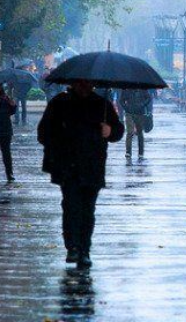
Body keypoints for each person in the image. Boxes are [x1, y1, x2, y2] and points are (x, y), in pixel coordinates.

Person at [38, 80, 125, 268]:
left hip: (93, 166)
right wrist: (60, 141)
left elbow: (118, 131)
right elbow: (43, 133)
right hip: (67, 166)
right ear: (73, 83)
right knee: (71, 207)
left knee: (88, 210)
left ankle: (85, 250)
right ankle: (72, 248)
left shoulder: (102, 104)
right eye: (80, 83)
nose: (84, 86)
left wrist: (110, 131)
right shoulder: (59, 103)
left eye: (87, 83)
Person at [119, 88, 153, 162]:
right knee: (130, 132)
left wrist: (142, 105)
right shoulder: (126, 89)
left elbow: (149, 98)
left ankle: (140, 153)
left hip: (140, 113)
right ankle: (128, 152)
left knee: (140, 133)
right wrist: (126, 107)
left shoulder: (143, 88)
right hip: (129, 113)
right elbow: (121, 100)